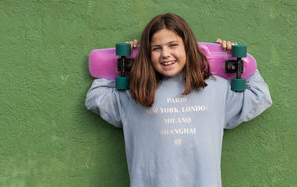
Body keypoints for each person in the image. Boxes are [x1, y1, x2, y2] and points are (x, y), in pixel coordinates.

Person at [85, 13, 272, 187]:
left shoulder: (217, 89)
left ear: (188, 47)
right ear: (147, 55)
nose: (165, 54)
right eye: (156, 48)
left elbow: (260, 96)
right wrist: (121, 61)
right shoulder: (135, 93)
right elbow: (95, 98)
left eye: (173, 45)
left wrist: (242, 61)